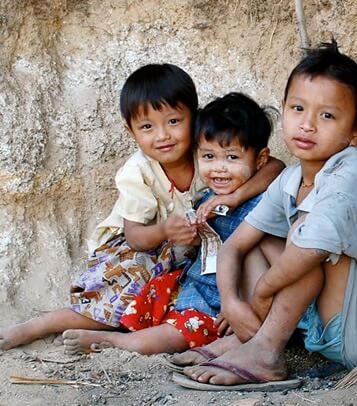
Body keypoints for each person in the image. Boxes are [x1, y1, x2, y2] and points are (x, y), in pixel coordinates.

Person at [179, 41, 357, 387]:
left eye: (327, 116)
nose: (307, 125)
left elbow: (306, 253)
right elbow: (235, 246)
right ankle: (252, 338)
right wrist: (231, 304)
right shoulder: (291, 177)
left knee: (303, 236)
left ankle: (265, 352)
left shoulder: (348, 178)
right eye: (298, 108)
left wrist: (259, 294)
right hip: (324, 324)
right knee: (261, 238)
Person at [0, 65, 283, 351]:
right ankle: (39, 325)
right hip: (142, 251)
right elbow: (135, 236)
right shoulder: (138, 171)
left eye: (173, 121)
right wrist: (165, 230)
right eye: (147, 127)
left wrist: (235, 198)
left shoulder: (208, 153)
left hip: (190, 255)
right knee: (113, 307)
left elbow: (275, 167)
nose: (162, 136)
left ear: (194, 119)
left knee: (158, 306)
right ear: (131, 130)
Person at [60, 92, 275, 355]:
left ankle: (117, 343)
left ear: (260, 159)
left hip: (230, 302)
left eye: (231, 158)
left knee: (182, 329)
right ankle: (97, 327)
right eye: (208, 157)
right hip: (198, 286)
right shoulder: (207, 197)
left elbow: (262, 261)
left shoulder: (265, 201)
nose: (219, 168)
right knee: (148, 301)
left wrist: (242, 306)